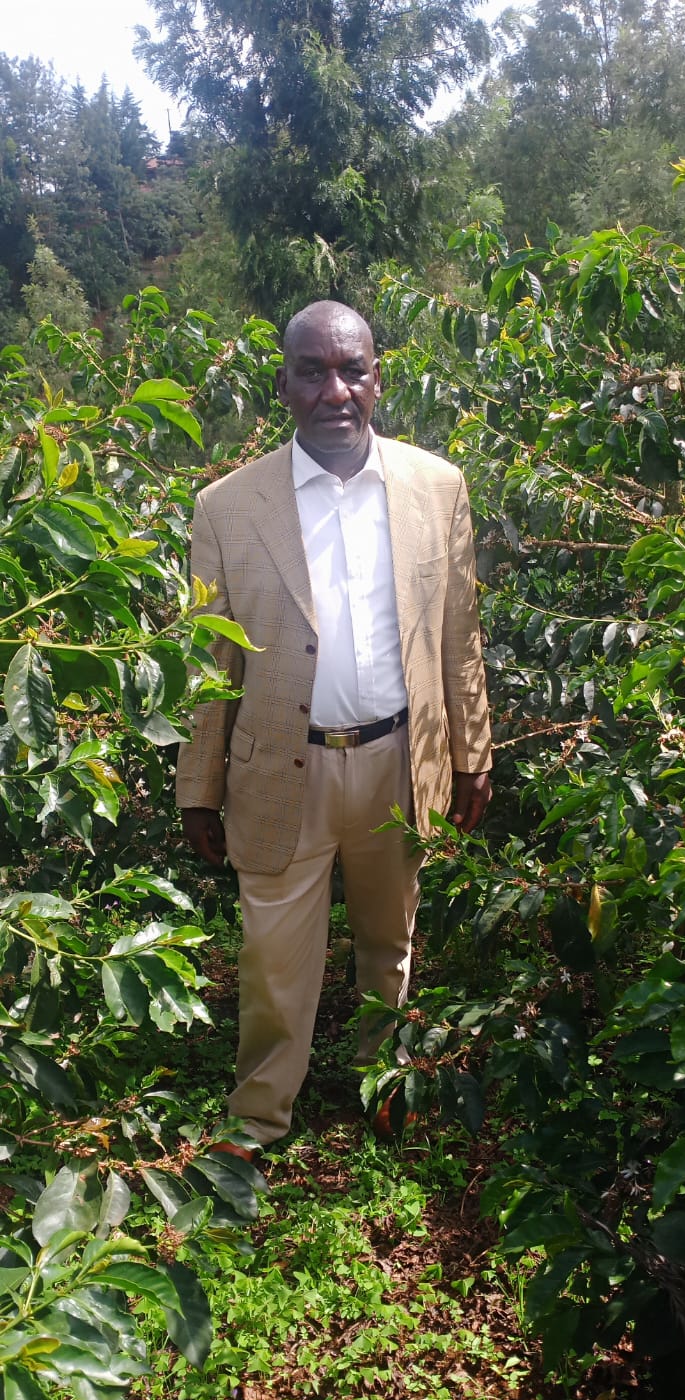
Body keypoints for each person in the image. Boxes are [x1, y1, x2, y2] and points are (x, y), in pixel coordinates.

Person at [176, 300, 492, 1155]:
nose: (335, 391)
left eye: (352, 370)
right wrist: (199, 786)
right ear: (283, 385)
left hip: (398, 759)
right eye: (313, 372)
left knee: (391, 945)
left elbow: (458, 634)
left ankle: (384, 1086)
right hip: (283, 766)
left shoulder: (436, 488)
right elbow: (212, 662)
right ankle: (258, 1118)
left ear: (377, 379)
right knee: (272, 959)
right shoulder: (228, 508)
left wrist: (473, 753)